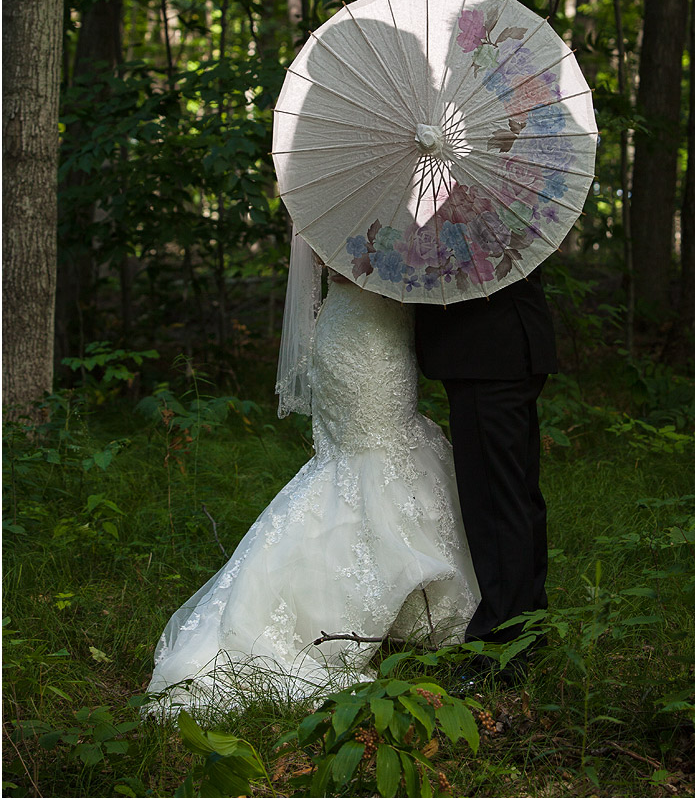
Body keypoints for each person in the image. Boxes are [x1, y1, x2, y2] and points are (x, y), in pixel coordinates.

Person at [143, 234, 478, 715]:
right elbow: (341, 265)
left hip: (380, 332)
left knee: (388, 450)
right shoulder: (346, 201)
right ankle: (354, 607)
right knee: (366, 458)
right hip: (362, 335)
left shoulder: (388, 191)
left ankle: (409, 606)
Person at [414, 271, 557, 676]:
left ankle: (500, 650)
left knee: (494, 504)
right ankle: (528, 626)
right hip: (504, 347)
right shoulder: (493, 210)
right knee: (516, 497)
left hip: (487, 351)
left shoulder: (462, 210)